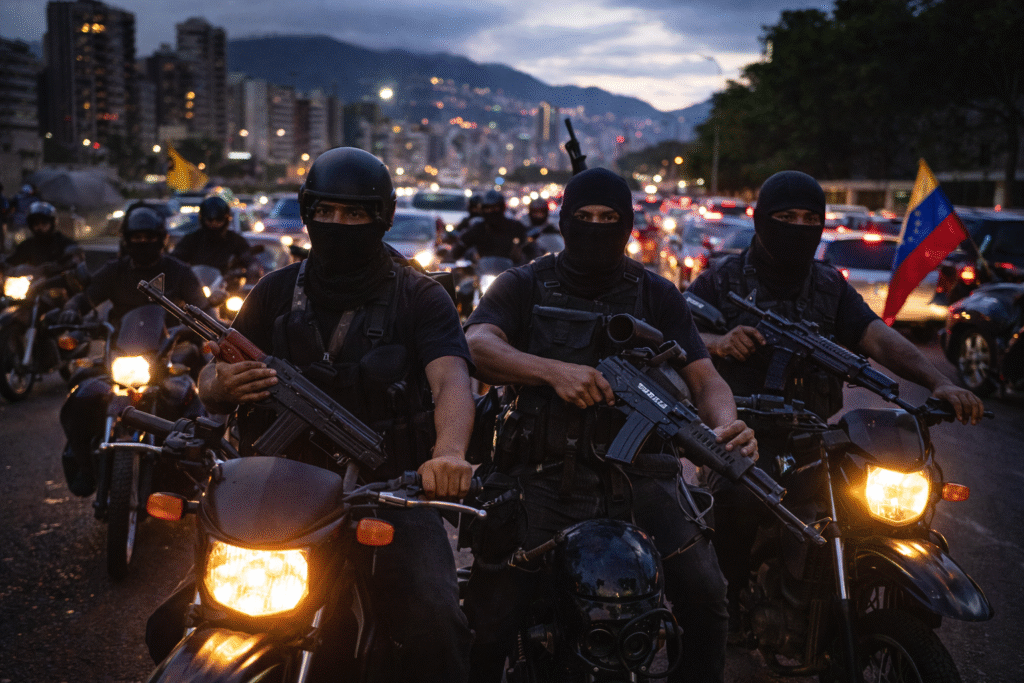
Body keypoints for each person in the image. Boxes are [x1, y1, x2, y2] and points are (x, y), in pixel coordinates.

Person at [460, 167, 758, 683]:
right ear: (564, 220)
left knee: (706, 595)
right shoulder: (525, 282)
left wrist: (727, 426)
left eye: (609, 218)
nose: (597, 227)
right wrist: (553, 372)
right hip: (541, 475)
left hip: (640, 476)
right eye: (584, 217)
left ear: (627, 224)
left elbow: (705, 378)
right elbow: (477, 345)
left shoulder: (656, 294)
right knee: (489, 619)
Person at [193, 147, 475, 682]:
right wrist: (220, 383)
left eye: (355, 214)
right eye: (326, 212)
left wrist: (450, 455)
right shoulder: (275, 290)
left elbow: (451, 381)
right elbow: (210, 380)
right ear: (308, 212)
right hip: (278, 490)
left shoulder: (421, 296)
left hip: (389, 490)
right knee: (192, 615)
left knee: (435, 624)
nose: (338, 224)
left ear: (381, 217)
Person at [685, 169, 985, 635]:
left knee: (867, 505)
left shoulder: (829, 286)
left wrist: (938, 382)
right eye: (786, 216)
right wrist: (719, 341)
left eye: (809, 218)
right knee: (736, 507)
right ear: (763, 219)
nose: (797, 227)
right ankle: (725, 612)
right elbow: (676, 339)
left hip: (814, 434)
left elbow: (882, 342)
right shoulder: (723, 280)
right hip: (742, 437)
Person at [56, 204, 209, 497]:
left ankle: (190, 471)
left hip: (163, 355)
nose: (142, 243)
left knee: (191, 399)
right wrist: (71, 310)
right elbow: (86, 298)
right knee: (81, 393)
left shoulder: (179, 272)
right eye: (135, 237)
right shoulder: (114, 270)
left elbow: (201, 308)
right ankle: (83, 463)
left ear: (161, 238)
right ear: (126, 239)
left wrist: (195, 325)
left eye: (148, 237)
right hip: (118, 355)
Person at [170, 195, 255, 273]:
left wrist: (253, 267)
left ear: (226, 219)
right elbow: (176, 258)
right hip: (197, 285)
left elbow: (247, 256)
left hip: (227, 286)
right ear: (203, 218)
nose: (214, 223)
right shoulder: (192, 239)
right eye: (210, 219)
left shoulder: (235, 240)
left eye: (219, 219)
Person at [449, 189, 528, 264]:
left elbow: (529, 249)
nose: (492, 211)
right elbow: (458, 250)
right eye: (488, 209)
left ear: (502, 208)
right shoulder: (477, 229)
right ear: (482, 210)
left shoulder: (515, 226)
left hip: (511, 273)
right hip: (481, 274)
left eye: (495, 208)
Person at [2, 201, 81, 269]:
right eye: (36, 224)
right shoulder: (26, 245)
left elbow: (75, 261)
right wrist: (3, 264)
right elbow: (12, 261)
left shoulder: (64, 243)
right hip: (33, 284)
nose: (40, 227)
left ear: (52, 223)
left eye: (44, 223)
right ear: (31, 226)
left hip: (58, 283)